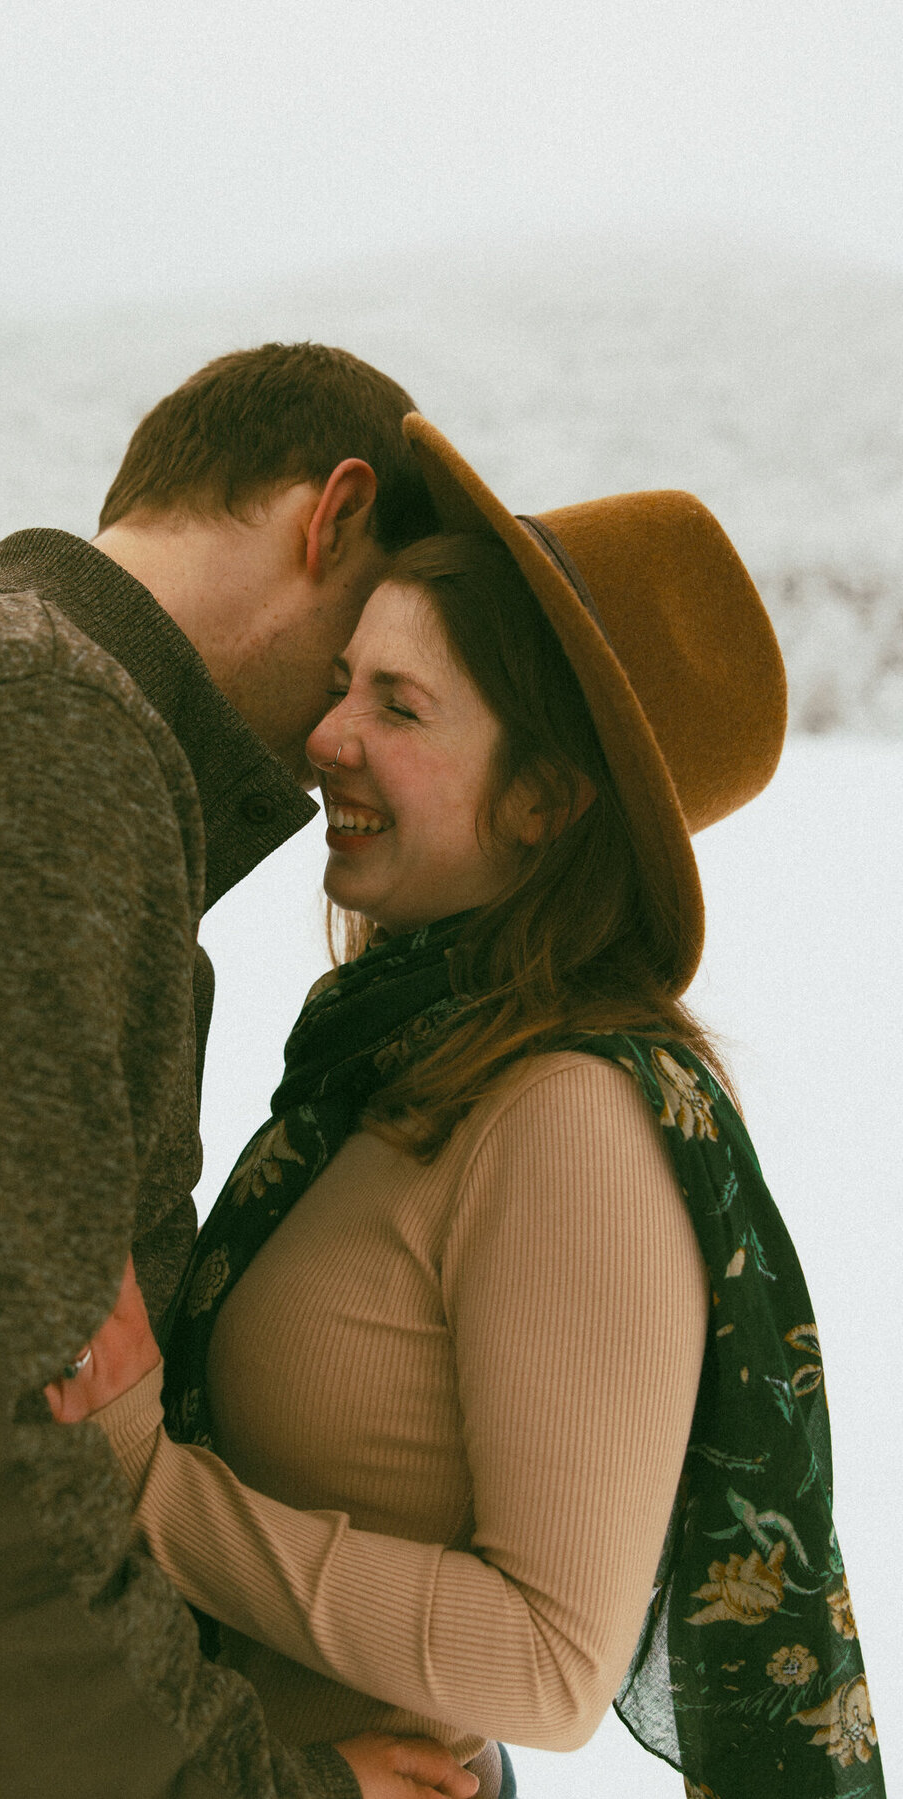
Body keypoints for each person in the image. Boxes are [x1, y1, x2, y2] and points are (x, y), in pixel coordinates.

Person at [50, 416, 885, 1799]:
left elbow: (550, 1663)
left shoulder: (567, 1121)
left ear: (546, 799)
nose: (324, 736)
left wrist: (153, 1486)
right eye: (342, 682)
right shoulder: (403, 1065)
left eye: (399, 705)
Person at [0, 346, 485, 1799]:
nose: (341, 740)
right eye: (373, 643)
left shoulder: (6, 718)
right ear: (333, 516)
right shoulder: (22, 738)